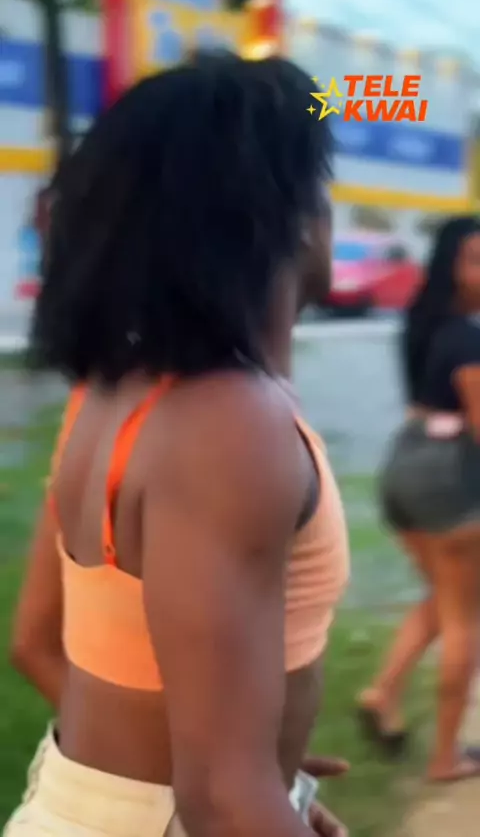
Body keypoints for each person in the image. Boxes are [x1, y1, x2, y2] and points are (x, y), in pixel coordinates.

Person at [5, 52, 350, 836]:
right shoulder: (233, 426)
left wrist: (268, 782)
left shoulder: (116, 392)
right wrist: (249, 794)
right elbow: (220, 801)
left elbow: (39, 644)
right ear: (288, 217)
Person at [357, 216, 480, 782]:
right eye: (476, 261)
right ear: (451, 268)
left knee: (446, 594)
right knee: (465, 618)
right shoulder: (468, 339)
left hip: (404, 467)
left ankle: (383, 692)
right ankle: (445, 758)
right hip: (448, 479)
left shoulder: (425, 324)